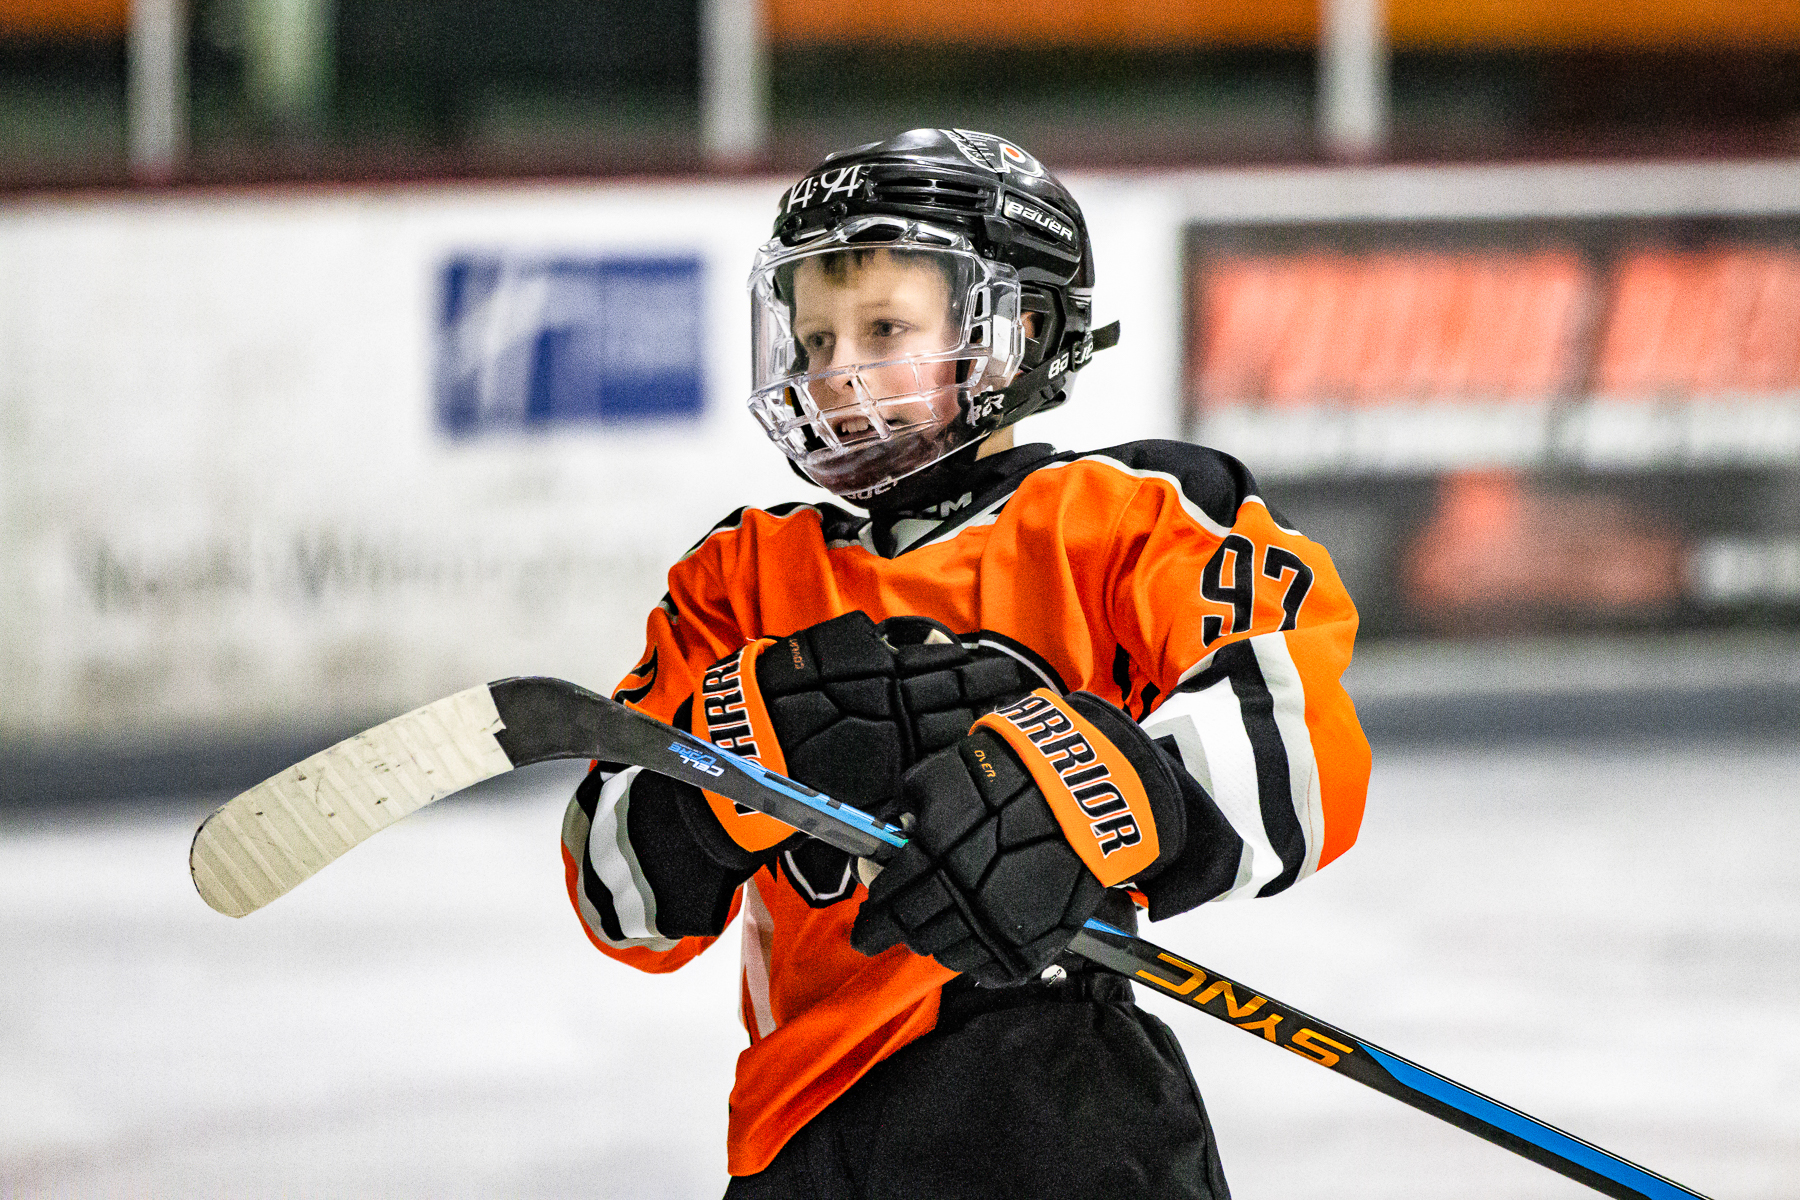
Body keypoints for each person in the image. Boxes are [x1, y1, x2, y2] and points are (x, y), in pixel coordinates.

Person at [560, 128, 1370, 1199]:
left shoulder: (1128, 518)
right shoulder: (740, 578)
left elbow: (1300, 729)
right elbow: (621, 902)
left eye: (884, 328)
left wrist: (1109, 790)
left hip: (1058, 1103)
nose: (836, 374)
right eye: (811, 342)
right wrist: (722, 779)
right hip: (799, 1137)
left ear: (1018, 331)